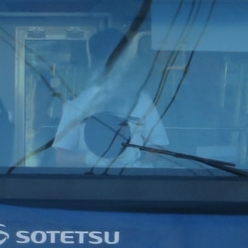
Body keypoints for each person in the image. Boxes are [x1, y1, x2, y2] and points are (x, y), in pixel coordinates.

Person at [53, 26, 169, 170]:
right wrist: (90, 158)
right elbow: (62, 158)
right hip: (91, 184)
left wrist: (136, 154)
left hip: (139, 184)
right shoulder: (78, 104)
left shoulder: (142, 100)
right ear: (95, 60)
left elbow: (159, 146)